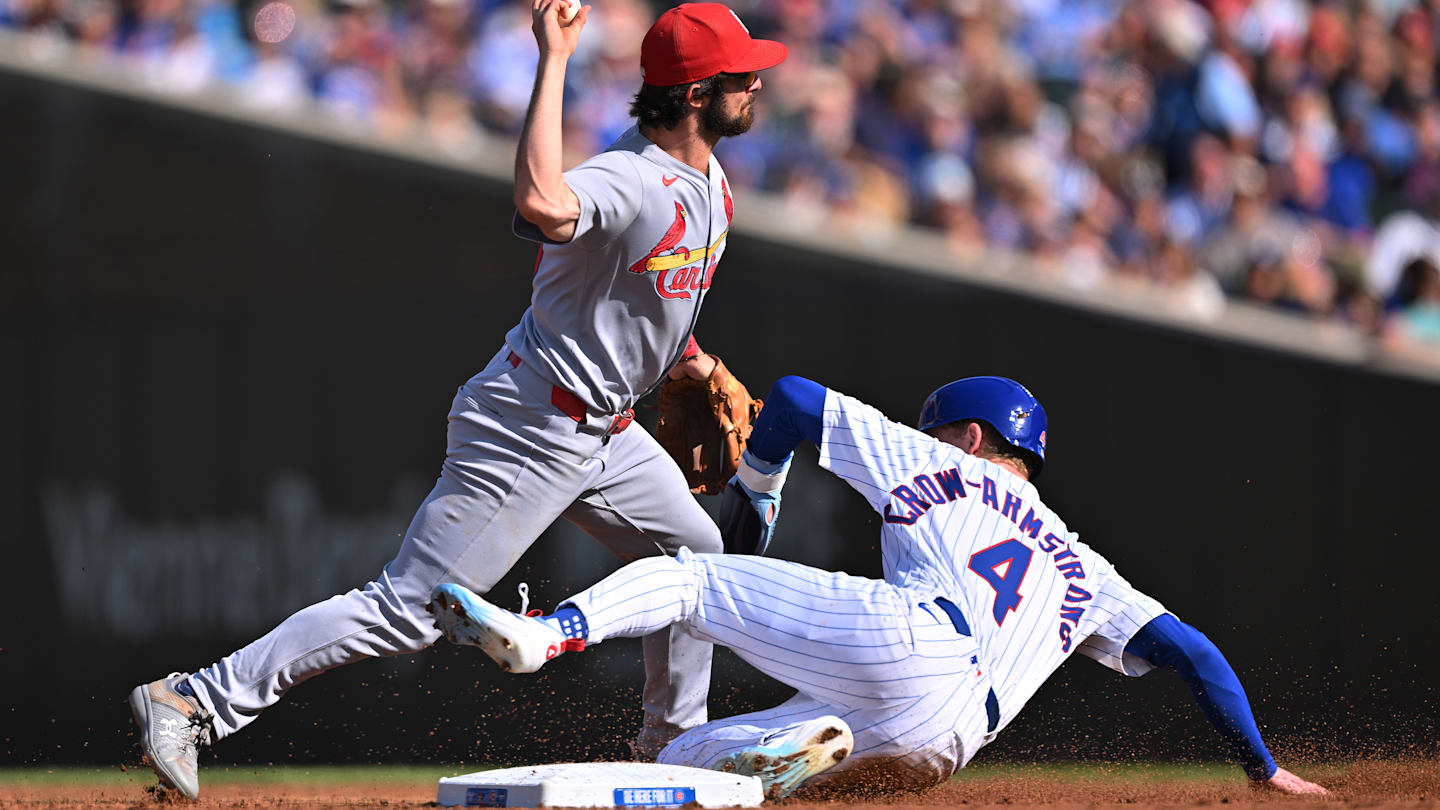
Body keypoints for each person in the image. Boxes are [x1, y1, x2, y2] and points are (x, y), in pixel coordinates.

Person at [127, 1, 788, 799]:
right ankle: (192, 701)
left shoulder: (710, 180)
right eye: (740, 74)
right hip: (531, 424)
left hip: (605, 434)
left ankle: (672, 754)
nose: (756, 82)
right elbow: (544, 205)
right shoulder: (631, 174)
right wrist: (554, 60)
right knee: (406, 611)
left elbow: (633, 299)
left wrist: (690, 359)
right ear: (691, 94)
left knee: (697, 568)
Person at [429, 375, 1331, 799]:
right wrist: (1263, 767)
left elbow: (789, 399)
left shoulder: (943, 460)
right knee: (680, 772)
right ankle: (779, 766)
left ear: (972, 439)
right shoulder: (1083, 567)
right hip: (945, 742)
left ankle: (545, 635)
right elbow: (1195, 654)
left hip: (913, 639)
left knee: (690, 575)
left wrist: (759, 491)